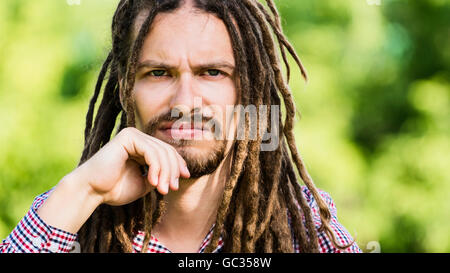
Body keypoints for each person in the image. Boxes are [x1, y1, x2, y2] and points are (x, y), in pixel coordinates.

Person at [0, 0, 361, 253]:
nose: (185, 102)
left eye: (212, 73)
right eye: (158, 73)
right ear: (126, 89)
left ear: (249, 92)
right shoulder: (69, 220)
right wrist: (83, 192)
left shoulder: (307, 230)